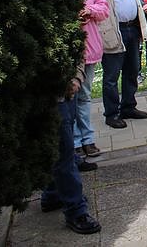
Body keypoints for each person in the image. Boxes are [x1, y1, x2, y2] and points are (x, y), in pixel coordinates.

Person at [87, 0, 147, 129]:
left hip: (132, 27)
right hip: (113, 30)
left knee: (132, 70)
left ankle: (128, 106)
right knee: (112, 75)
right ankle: (112, 113)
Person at [41, 62, 102, 235]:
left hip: (67, 89)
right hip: (48, 92)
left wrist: (76, 77)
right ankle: (76, 211)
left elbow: (77, 50)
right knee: (64, 151)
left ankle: (52, 194)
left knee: (60, 146)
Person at [74, 0, 109, 160]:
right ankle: (75, 141)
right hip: (72, 53)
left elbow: (104, 9)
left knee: (84, 96)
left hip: (89, 51)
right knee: (70, 98)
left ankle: (87, 139)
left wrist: (90, 11)